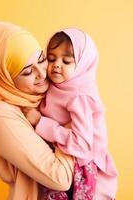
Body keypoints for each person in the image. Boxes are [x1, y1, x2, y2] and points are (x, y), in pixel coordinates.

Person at [0, 22, 74, 200]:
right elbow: (60, 178)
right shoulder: (3, 115)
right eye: (28, 72)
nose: (42, 74)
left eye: (42, 59)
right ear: (5, 79)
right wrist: (72, 126)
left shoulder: (54, 96)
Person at [22, 28, 118, 200]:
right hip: (60, 161)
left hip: (83, 168)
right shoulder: (55, 86)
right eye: (51, 59)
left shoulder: (79, 96)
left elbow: (81, 145)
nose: (57, 64)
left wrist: (41, 123)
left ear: (82, 65)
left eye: (66, 61)